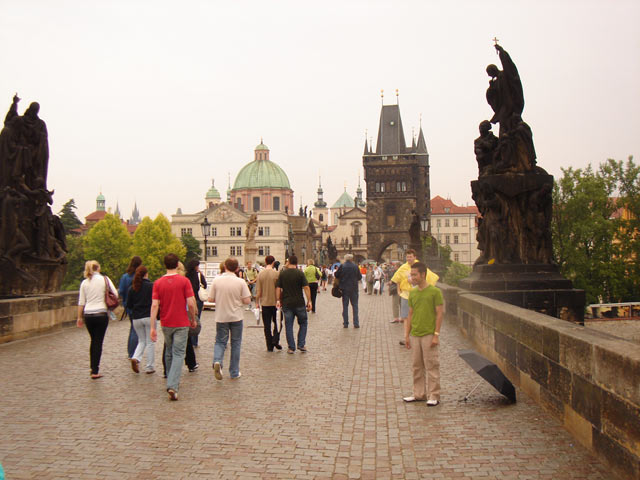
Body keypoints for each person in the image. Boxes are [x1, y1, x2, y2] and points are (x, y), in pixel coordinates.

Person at [150, 254, 197, 401]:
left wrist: (152, 327)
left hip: (166, 322)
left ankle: (171, 379)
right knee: (178, 354)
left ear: (165, 264)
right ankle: (173, 385)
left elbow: (154, 305)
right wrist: (193, 318)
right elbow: (190, 303)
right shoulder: (184, 281)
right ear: (177, 264)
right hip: (181, 323)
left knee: (169, 352)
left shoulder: (158, 283)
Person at [402, 262, 444, 406]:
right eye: (411, 274)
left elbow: (439, 314)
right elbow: (410, 314)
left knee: (431, 365)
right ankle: (419, 393)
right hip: (415, 334)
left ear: (423, 275)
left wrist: (436, 334)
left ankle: (434, 395)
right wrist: (407, 335)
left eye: (414, 274)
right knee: (416, 365)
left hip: (428, 333)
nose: (412, 277)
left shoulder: (435, 292)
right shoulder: (413, 293)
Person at [208, 257, 251, 380]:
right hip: (236, 316)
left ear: (225, 267)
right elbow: (247, 300)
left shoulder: (217, 281)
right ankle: (234, 371)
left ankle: (217, 361)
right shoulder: (240, 282)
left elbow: (210, 299)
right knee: (236, 343)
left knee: (220, 341)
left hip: (221, 315)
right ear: (237, 268)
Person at [77, 260, 118, 379]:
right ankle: (95, 370)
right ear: (98, 268)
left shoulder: (84, 283)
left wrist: (79, 317)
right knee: (98, 342)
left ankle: (92, 368)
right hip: (101, 313)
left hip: (88, 315)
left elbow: (81, 302)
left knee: (93, 340)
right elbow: (115, 294)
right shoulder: (104, 279)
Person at [276, 255, 311, 354]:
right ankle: (301, 344)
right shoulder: (300, 273)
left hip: (287, 303)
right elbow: (306, 287)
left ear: (289, 262)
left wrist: (278, 299)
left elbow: (278, 288)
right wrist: (309, 301)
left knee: (289, 325)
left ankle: (291, 347)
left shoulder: (282, 274)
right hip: (299, 302)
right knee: (303, 323)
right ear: (296, 263)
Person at [127, 265, 155, 374]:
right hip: (148, 316)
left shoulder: (132, 288)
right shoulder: (151, 286)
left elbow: (129, 304)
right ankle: (149, 366)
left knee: (141, 340)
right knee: (150, 341)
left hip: (136, 318)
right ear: (146, 274)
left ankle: (136, 357)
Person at [256, 255, 281, 351]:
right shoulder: (276, 274)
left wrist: (257, 303)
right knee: (278, 323)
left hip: (265, 303)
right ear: (273, 262)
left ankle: (269, 345)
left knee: (267, 325)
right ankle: (275, 339)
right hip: (275, 302)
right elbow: (279, 289)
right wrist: (279, 300)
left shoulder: (260, 274)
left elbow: (258, 291)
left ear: (266, 262)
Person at [119, 256, 142, 359]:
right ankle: (133, 353)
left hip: (128, 305)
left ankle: (130, 351)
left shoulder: (125, 277)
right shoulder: (138, 276)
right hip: (138, 305)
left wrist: (125, 301)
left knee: (132, 327)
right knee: (135, 329)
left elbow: (121, 291)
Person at [391, 249, 418, 325]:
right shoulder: (403, 267)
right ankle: (407, 332)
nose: (409, 258)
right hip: (406, 294)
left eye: (410, 257)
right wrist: (398, 291)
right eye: (407, 257)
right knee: (405, 315)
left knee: (416, 313)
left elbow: (425, 278)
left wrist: (414, 281)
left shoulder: (419, 266)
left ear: (415, 257)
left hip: (417, 293)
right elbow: (397, 279)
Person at [335, 254, 362, 328]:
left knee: (345, 306)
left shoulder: (342, 266)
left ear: (345, 259)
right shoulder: (355, 266)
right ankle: (356, 323)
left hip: (344, 289)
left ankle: (346, 323)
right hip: (354, 288)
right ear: (351, 259)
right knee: (355, 306)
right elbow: (360, 277)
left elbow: (336, 275)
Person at [186, 259, 207, 347]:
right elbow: (205, 285)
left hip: (188, 299)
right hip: (197, 299)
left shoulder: (186, 276)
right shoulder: (199, 275)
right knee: (196, 319)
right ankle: (195, 341)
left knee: (188, 320)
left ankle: (189, 340)